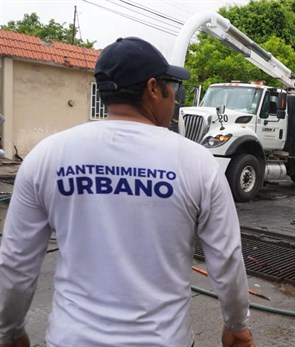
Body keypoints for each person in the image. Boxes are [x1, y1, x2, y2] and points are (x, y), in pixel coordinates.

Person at [0, 37, 255, 347]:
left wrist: (9, 330)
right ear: (152, 88)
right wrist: (237, 326)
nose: (174, 96)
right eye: (170, 85)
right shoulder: (197, 163)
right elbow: (227, 259)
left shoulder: (48, 156)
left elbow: (15, 262)